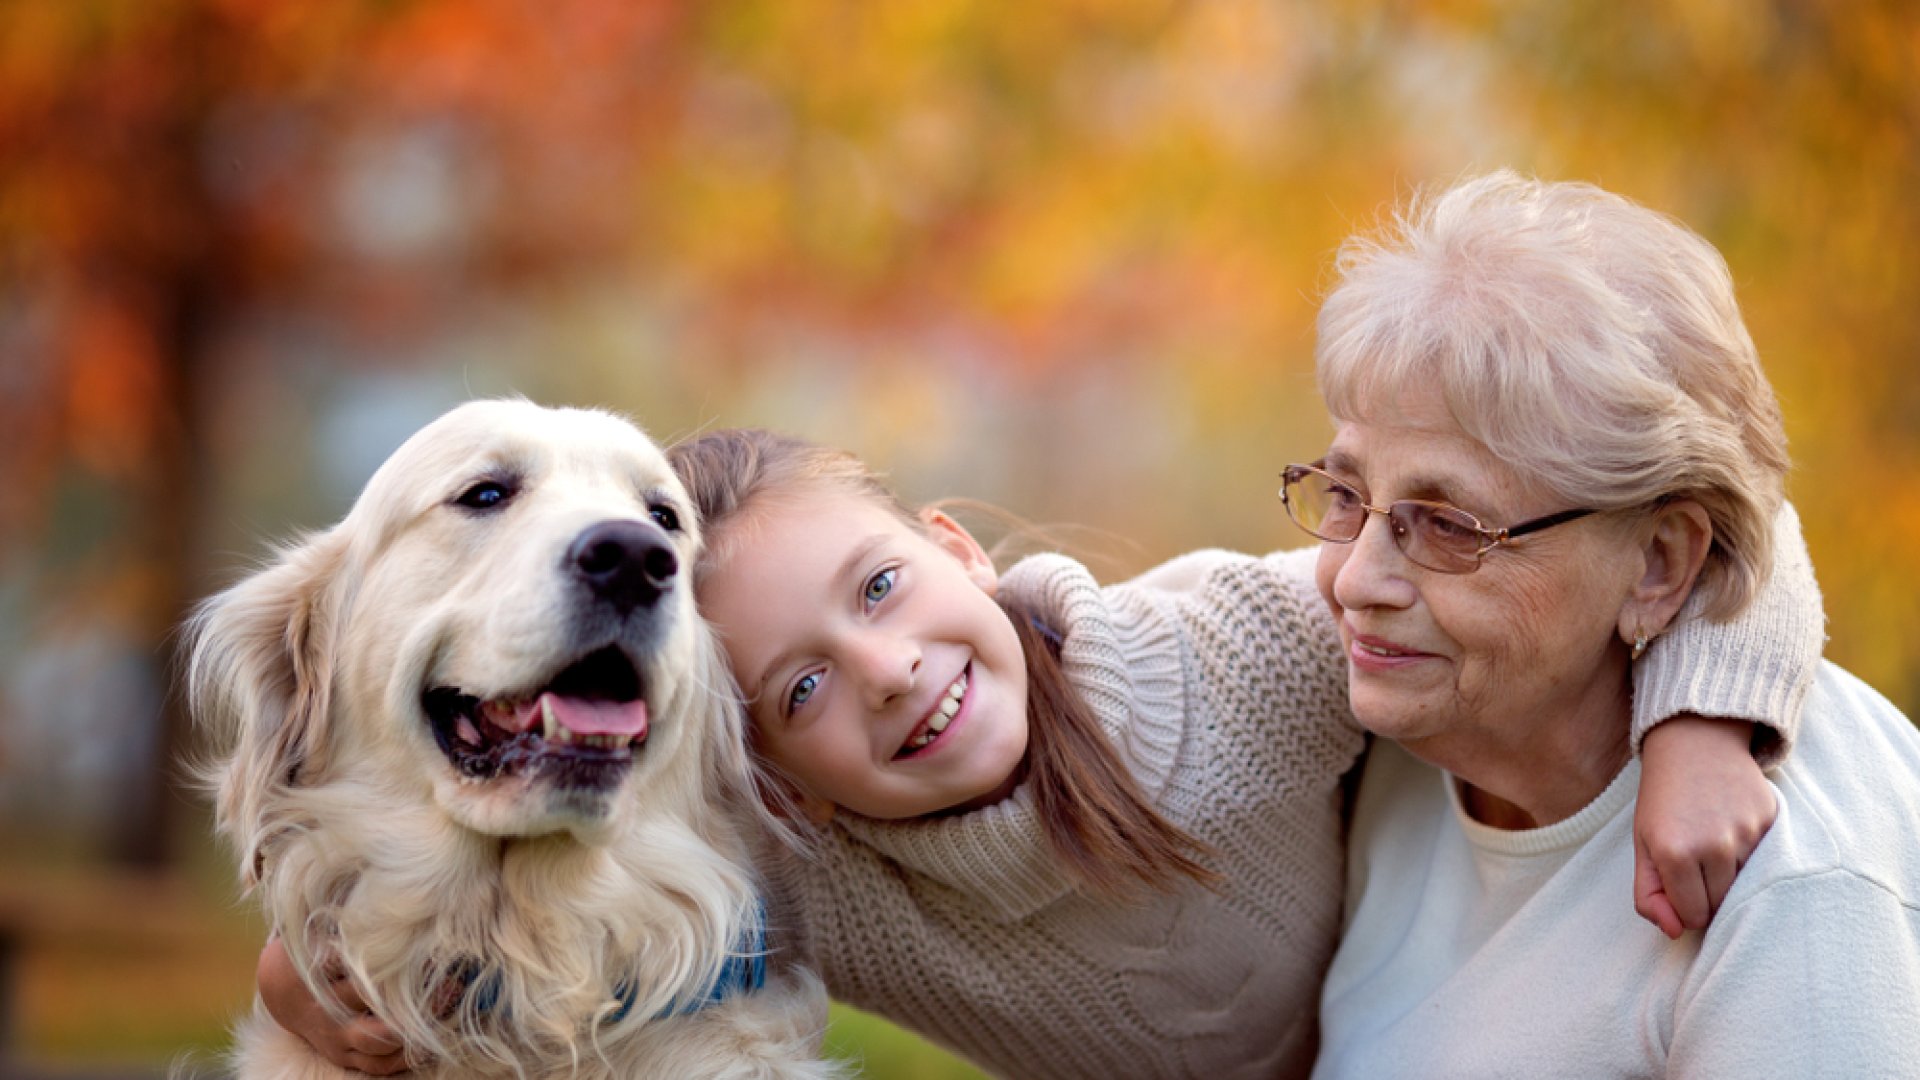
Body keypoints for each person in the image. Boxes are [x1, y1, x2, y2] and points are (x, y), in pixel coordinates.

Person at [261, 421, 1822, 1079]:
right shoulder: (817, 880)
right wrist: (307, 980)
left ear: (955, 549)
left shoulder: (1232, 660)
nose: (886, 673)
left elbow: (1715, 517)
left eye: (883, 589)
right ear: (769, 776)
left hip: (1486, 992)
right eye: (800, 689)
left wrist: (1706, 720)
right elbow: (566, 929)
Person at [1298, 172, 1920, 1077]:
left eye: (1451, 525)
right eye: (1345, 493)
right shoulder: (1411, 722)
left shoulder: (1794, 895)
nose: (1355, 579)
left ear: (1660, 563)